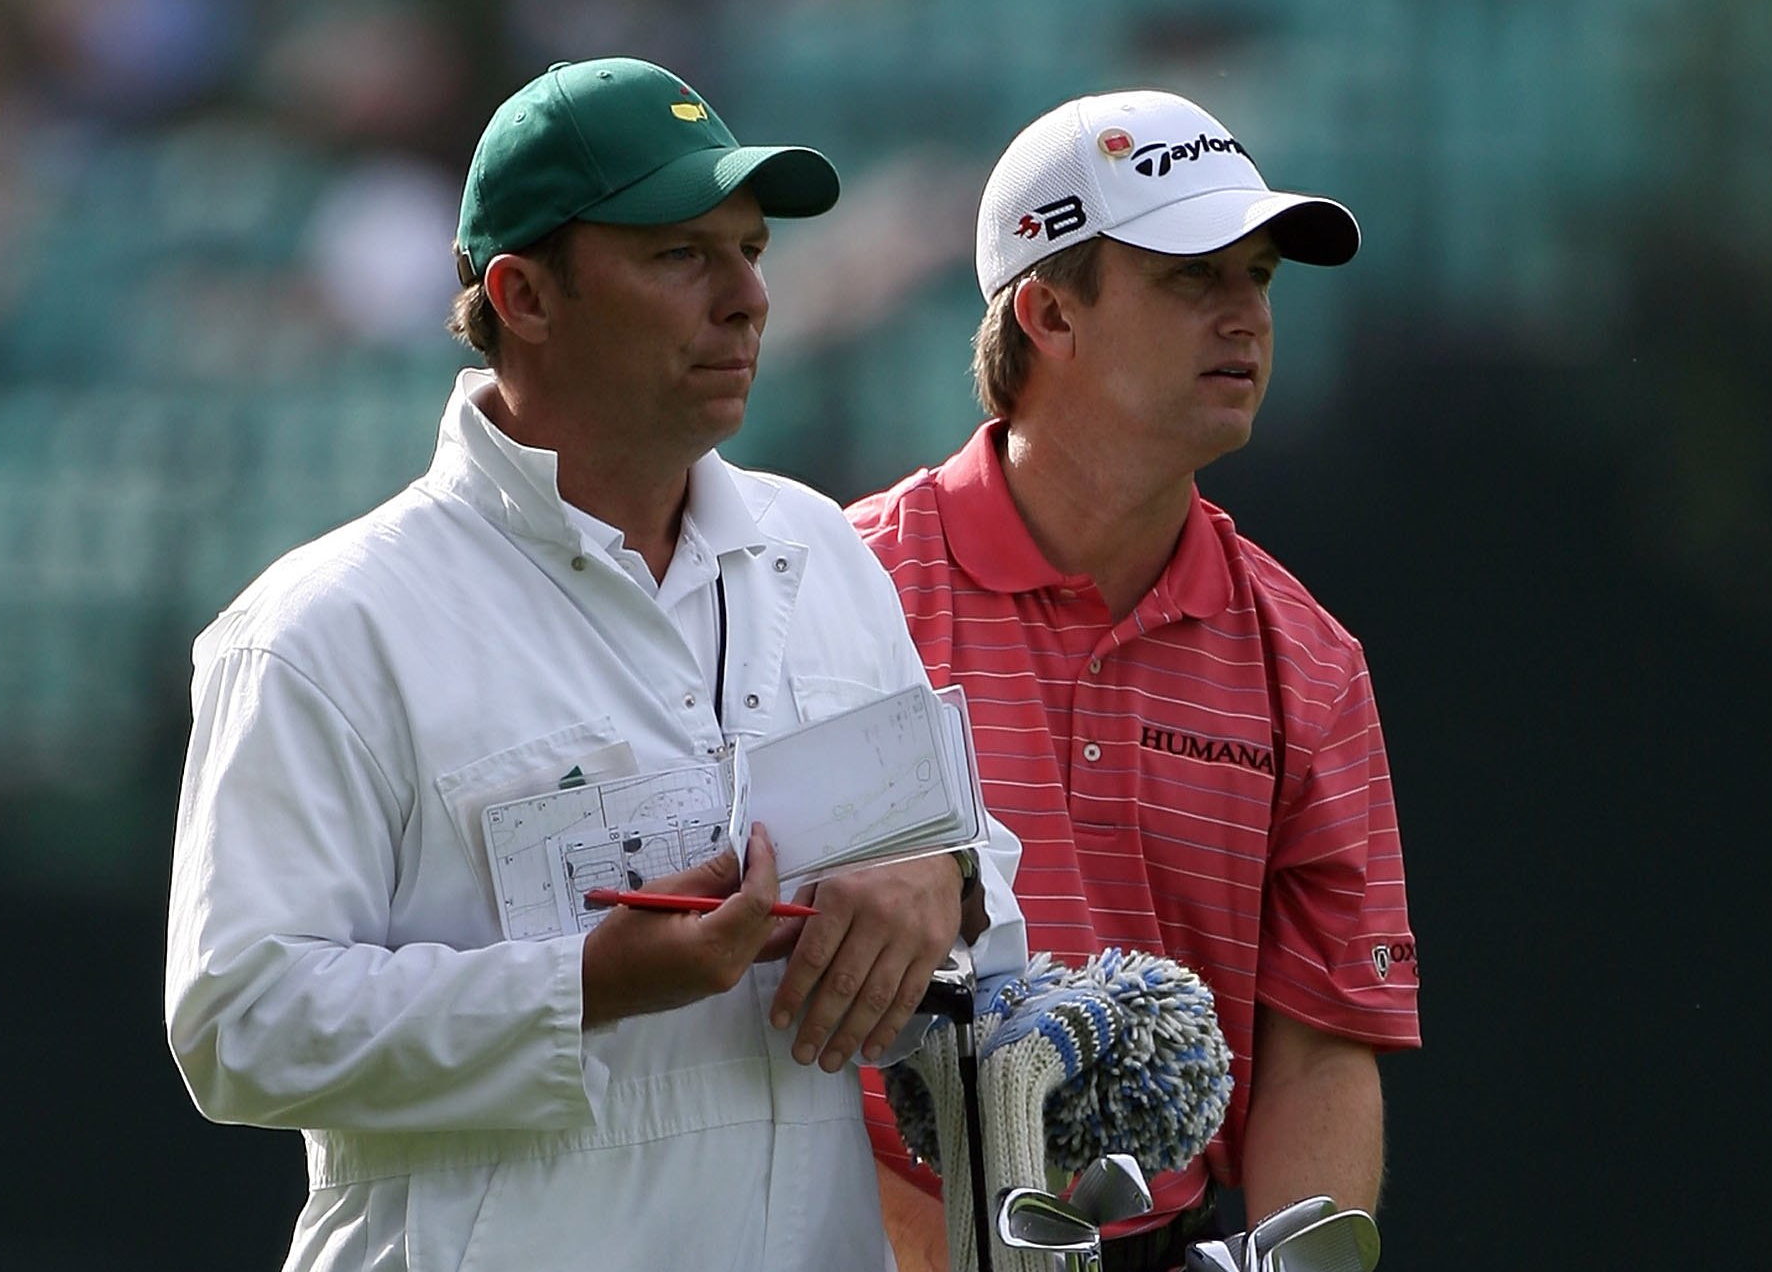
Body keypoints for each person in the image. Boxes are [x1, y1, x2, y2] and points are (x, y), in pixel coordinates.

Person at [164, 57, 1025, 1271]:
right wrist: (584, 987)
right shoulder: (320, 629)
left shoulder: (823, 550)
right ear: (522, 294)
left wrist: (946, 880)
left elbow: (975, 887)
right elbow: (239, 1029)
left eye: (753, 253)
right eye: (681, 256)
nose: (746, 300)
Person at [849, 89, 1422, 1271]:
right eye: (1191, 277)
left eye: (1258, 277)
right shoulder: (837, 596)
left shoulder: (1308, 661)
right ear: (1049, 313)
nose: (1245, 317)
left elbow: (1317, 1045)